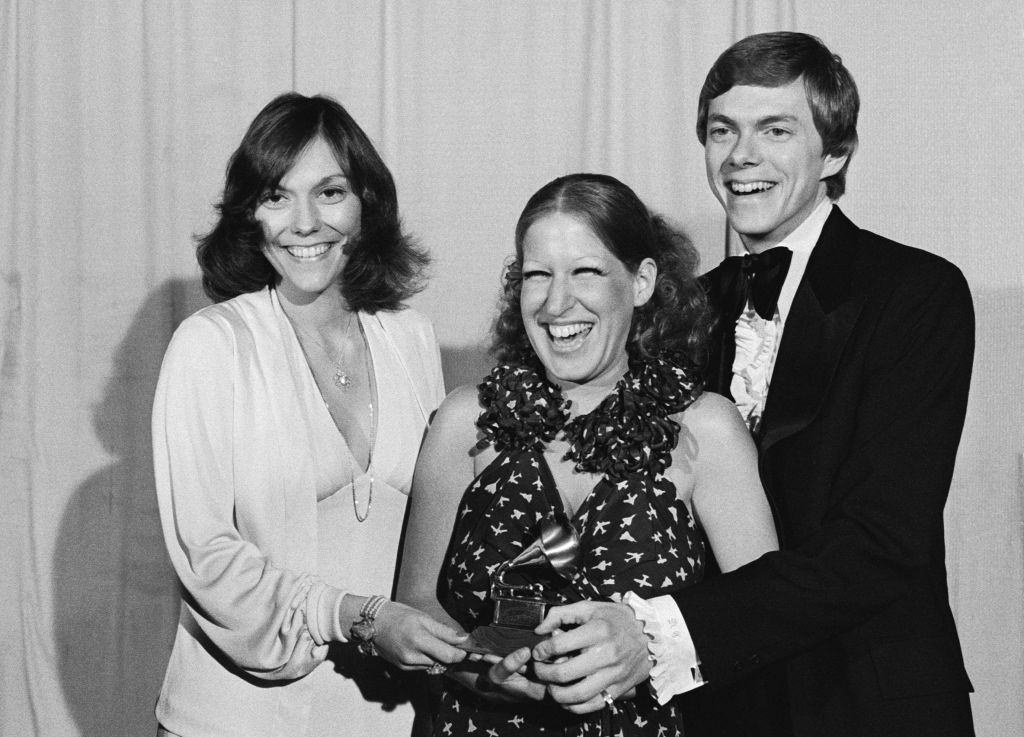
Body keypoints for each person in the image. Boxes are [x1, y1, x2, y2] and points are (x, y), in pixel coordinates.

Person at [531, 32, 976, 737]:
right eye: (722, 131)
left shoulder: (916, 294)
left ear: (835, 152)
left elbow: (881, 541)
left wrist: (656, 631)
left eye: (775, 129)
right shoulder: (678, 311)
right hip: (718, 711)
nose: (742, 156)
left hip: (868, 703)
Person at [397, 173, 778, 736]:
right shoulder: (463, 421)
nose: (556, 302)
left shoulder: (707, 429)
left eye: (586, 272)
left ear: (642, 281)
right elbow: (417, 605)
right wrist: (483, 669)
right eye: (537, 275)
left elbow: (765, 615)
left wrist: (649, 643)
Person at [152, 92, 467, 737]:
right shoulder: (211, 346)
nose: (304, 223)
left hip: (389, 719)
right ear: (249, 214)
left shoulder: (410, 336)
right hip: (236, 719)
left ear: (365, 204)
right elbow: (207, 556)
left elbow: (444, 526)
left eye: (329, 192)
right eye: (276, 196)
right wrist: (358, 617)